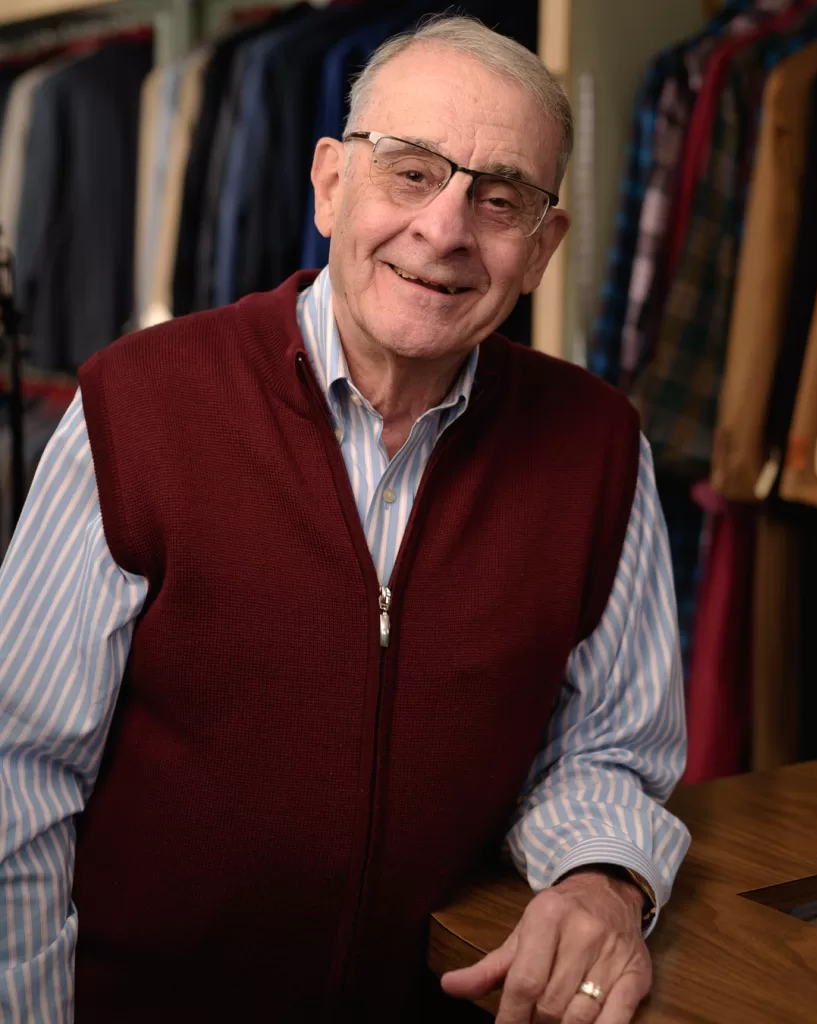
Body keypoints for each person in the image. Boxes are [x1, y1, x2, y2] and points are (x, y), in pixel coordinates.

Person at [0, 15, 690, 1024]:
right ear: (331, 184)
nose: (446, 229)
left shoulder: (597, 448)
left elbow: (608, 744)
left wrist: (601, 874)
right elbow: (19, 779)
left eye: (499, 199)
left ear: (543, 249)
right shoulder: (136, 407)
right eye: (411, 172)